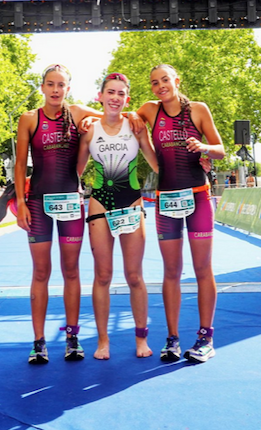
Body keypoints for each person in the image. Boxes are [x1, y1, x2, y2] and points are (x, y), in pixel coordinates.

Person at [14, 64, 144, 364]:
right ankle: (38, 342)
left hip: (72, 202)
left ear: (68, 89)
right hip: (38, 204)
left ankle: (72, 337)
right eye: (50, 84)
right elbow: (21, 164)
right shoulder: (29, 119)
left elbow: (114, 114)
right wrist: (21, 201)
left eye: (61, 85)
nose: (56, 90)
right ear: (42, 87)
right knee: (41, 272)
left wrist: (135, 116)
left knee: (71, 271)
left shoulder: (78, 113)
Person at [136, 64, 225, 363]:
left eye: (165, 80)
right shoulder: (149, 110)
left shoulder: (198, 109)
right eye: (154, 82)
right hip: (166, 199)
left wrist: (204, 147)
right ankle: (172, 339)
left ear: (176, 80)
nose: (160, 86)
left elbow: (220, 149)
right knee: (171, 271)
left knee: (203, 269)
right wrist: (87, 122)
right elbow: (120, 118)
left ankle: (205, 337)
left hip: (198, 197)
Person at [76, 73, 158, 360]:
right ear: (100, 96)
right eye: (110, 92)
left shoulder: (136, 127)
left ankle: (140, 339)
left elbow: (157, 162)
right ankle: (102, 341)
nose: (115, 98)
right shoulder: (90, 130)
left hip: (131, 202)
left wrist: (193, 169)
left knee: (134, 276)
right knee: (103, 275)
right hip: (100, 203)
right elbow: (76, 172)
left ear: (127, 99)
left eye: (121, 94)